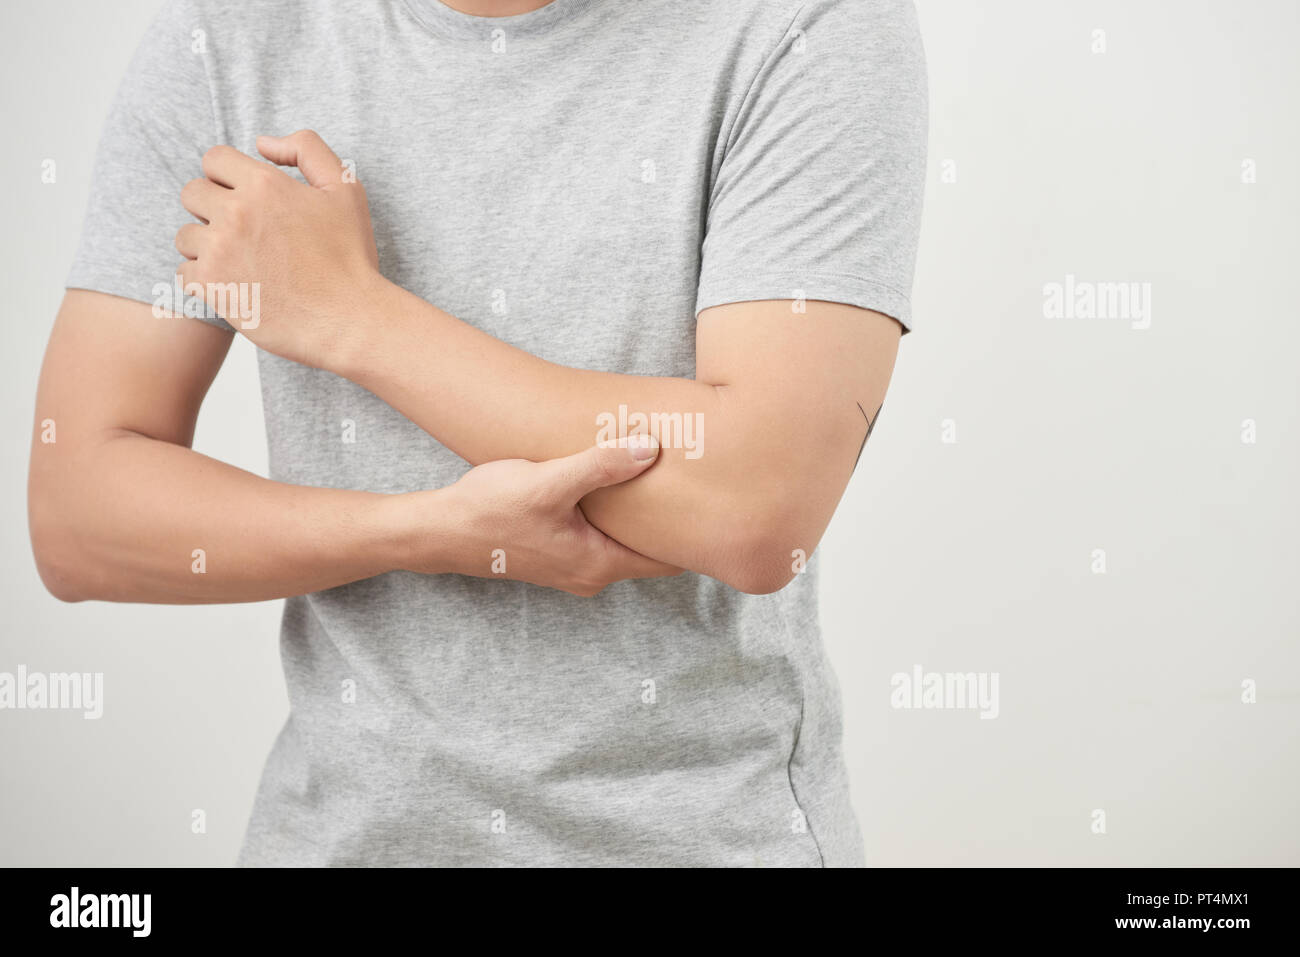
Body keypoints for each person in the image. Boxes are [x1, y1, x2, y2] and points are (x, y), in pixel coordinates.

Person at [29, 0, 927, 867]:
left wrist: (355, 317)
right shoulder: (232, 32)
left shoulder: (808, 21)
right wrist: (425, 531)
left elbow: (753, 506)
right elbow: (79, 515)